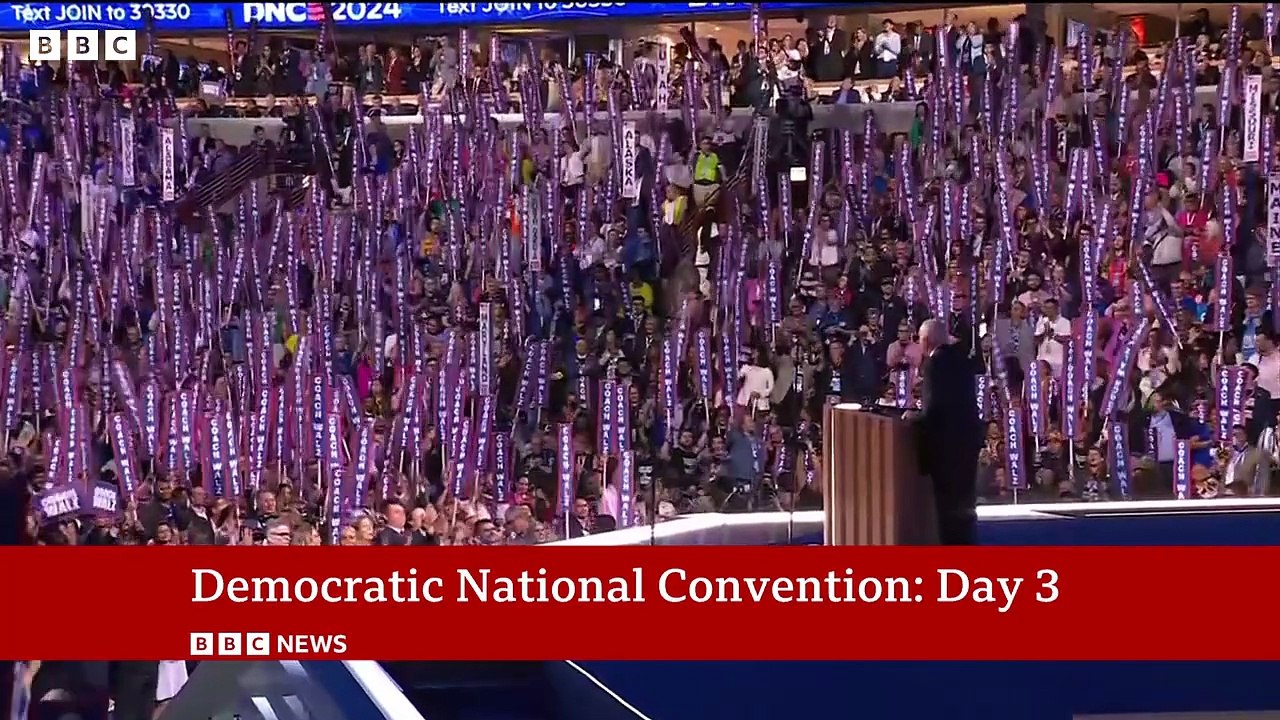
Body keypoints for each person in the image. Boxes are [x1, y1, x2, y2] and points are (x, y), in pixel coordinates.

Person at [912, 319, 982, 545]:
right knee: (965, 505)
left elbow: (933, 408)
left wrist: (915, 418)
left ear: (925, 341)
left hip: (946, 448)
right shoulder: (962, 360)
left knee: (948, 509)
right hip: (968, 442)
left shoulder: (934, 364)